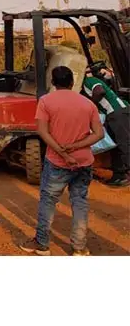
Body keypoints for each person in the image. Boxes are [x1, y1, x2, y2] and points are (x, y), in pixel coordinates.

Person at [20, 65, 104, 256]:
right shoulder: (87, 103)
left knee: (48, 201)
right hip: (84, 162)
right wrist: (76, 147)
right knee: (80, 202)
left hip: (57, 162)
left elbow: (42, 131)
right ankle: (79, 248)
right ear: (72, 83)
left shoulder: (46, 101)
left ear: (53, 82)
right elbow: (99, 134)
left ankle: (42, 245)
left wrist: (63, 152)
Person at [82, 64, 129, 187]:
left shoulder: (89, 81)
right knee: (116, 146)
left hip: (116, 113)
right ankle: (119, 176)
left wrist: (90, 105)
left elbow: (99, 91)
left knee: (125, 145)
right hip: (116, 113)